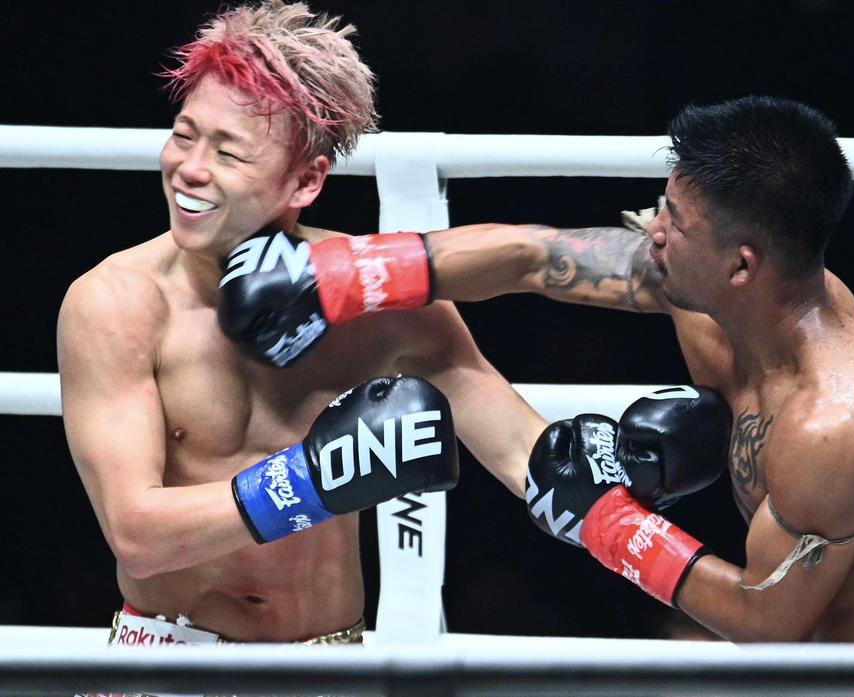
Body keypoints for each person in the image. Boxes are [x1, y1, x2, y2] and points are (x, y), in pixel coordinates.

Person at [243, 95, 854, 643]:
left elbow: (770, 620)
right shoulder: (718, 294)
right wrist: (342, 275)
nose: (652, 230)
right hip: (821, 656)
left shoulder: (834, 421)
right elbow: (534, 256)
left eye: (674, 221)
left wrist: (608, 521)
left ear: (742, 264)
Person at [56, 0, 545, 646]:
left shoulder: (377, 301)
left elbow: (523, 453)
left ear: (305, 182)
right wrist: (318, 478)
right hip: (173, 658)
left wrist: (619, 492)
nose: (190, 168)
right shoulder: (116, 304)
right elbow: (137, 535)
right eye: (183, 134)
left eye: (228, 152)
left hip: (330, 657)